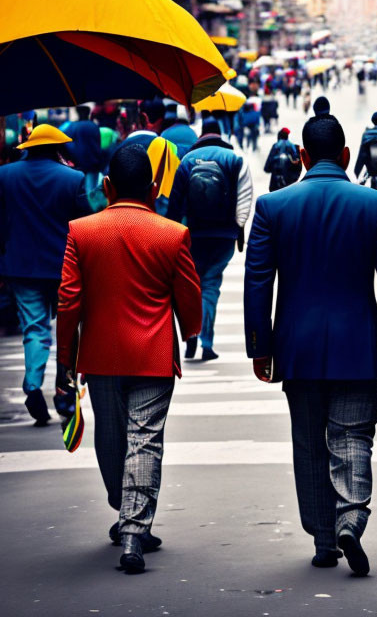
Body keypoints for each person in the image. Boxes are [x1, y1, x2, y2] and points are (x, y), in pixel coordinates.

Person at [244, 114, 377, 576]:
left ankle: (323, 537)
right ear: (344, 156)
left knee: (309, 441)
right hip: (357, 343)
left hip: (296, 346)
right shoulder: (376, 204)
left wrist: (260, 346)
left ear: (301, 156)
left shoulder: (273, 206)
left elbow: (258, 280)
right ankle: (351, 518)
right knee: (353, 434)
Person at [57, 145, 202, 574]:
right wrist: (191, 330)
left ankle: (127, 516)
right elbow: (189, 297)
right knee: (145, 439)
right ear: (155, 188)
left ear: (106, 186)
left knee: (111, 437)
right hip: (153, 354)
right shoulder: (171, 234)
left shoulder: (81, 232)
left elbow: (68, 302)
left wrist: (67, 358)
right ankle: (135, 528)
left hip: (100, 354)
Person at [0, 125, 90, 425]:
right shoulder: (73, 178)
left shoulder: (5, 176)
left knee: (34, 329)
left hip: (21, 266)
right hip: (64, 267)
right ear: (56, 149)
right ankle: (64, 390)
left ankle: (32, 384)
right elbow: (85, 226)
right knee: (68, 330)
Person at [167, 132, 253, 361]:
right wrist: (239, 229)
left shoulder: (187, 160)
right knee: (211, 285)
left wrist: (171, 235)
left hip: (193, 235)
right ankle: (207, 342)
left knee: (192, 285)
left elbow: (175, 202)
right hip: (223, 236)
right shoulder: (234, 159)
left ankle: (191, 335)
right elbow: (245, 198)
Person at [65, 105, 104, 189]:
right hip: (94, 165)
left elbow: (67, 144)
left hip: (79, 166)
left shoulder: (73, 126)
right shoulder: (93, 126)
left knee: (82, 191)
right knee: (91, 190)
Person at [264, 127, 302, 192]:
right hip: (289, 182)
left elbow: (268, 164)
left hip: (275, 182)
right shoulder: (293, 147)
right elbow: (298, 165)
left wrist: (269, 168)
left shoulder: (276, 146)